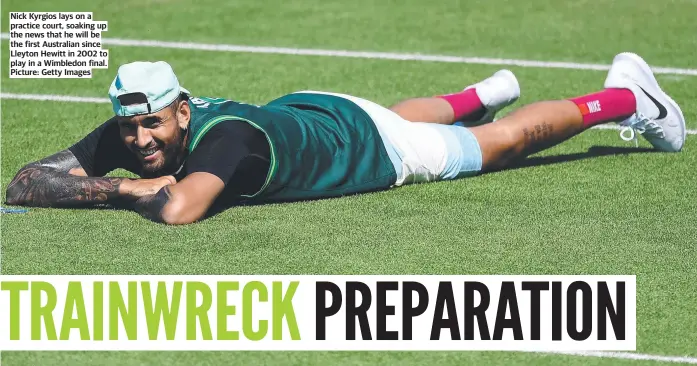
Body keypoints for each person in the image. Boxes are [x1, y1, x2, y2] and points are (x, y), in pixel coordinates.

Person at [4, 52, 686, 225]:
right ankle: (477, 93)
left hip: (375, 149)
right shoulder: (133, 133)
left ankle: (625, 95)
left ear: (182, 111)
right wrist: (126, 182)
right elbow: (24, 180)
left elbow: (181, 208)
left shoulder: (225, 139)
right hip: (321, 110)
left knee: (500, 144)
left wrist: (126, 190)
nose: (138, 139)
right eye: (127, 127)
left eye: (149, 123)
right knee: (394, 113)